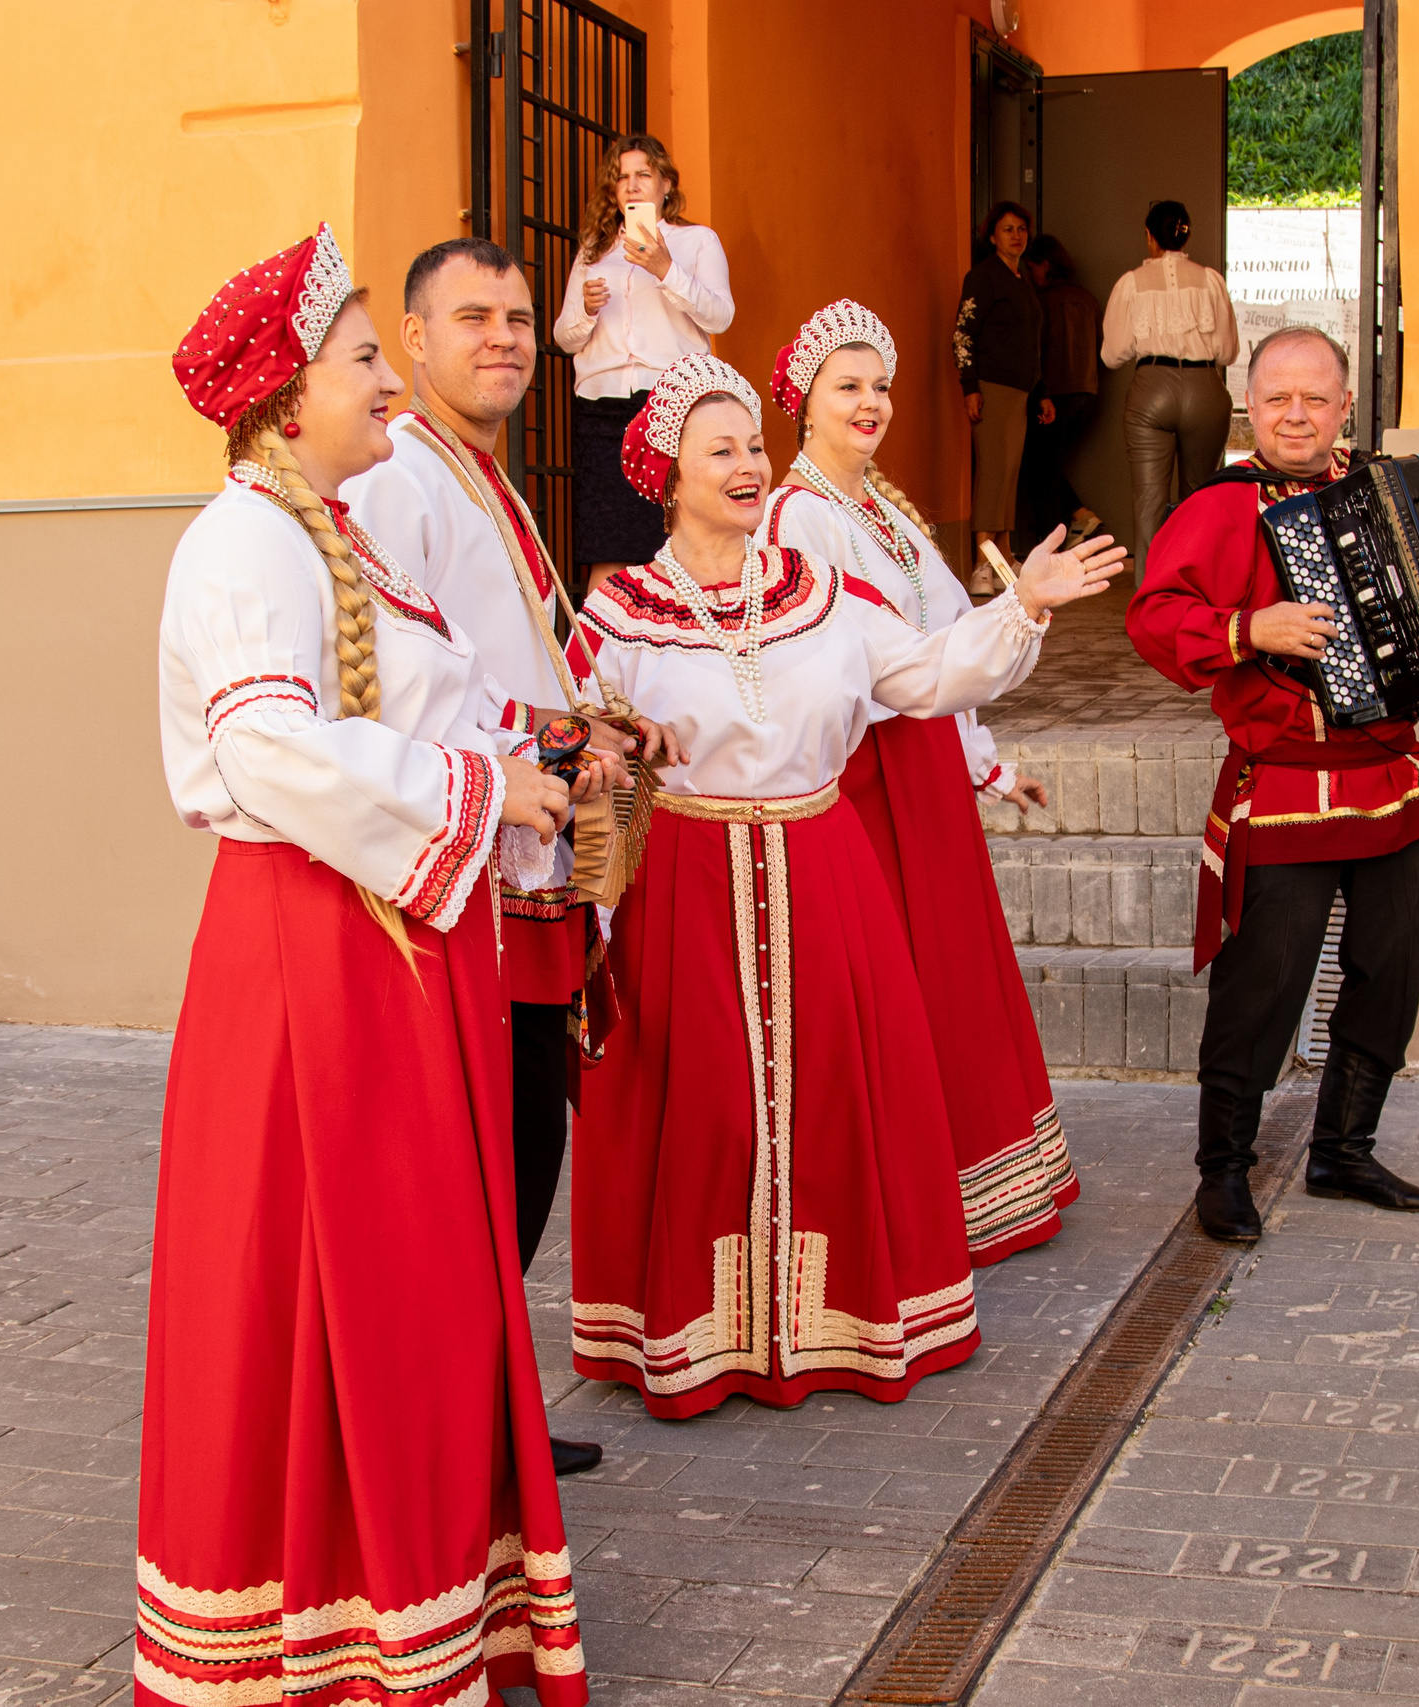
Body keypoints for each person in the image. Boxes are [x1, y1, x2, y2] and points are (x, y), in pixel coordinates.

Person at [145, 224, 591, 1704]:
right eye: (359, 360)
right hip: (314, 956)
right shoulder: (244, 545)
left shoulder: (325, 531)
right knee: (321, 1280)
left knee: (401, 1282)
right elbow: (267, 749)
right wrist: (480, 790)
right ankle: (320, 1617)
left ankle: (408, 1591)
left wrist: (522, 753)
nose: (386, 382)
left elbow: (419, 699)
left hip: (380, 940)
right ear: (286, 399)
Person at [566, 354, 1125, 1417]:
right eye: (720, 451)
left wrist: (1021, 607)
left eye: (753, 446)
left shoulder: (822, 593)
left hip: (824, 871)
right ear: (667, 475)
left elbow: (926, 674)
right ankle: (707, 1338)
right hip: (683, 884)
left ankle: (841, 1324)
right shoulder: (618, 616)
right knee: (708, 1109)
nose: (748, 465)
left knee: (835, 1097)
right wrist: (612, 744)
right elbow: (572, 745)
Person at [342, 235, 684, 1481]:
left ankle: (484, 1418)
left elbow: (511, 652)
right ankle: (453, 1429)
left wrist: (596, 718)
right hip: (473, 876)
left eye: (520, 318)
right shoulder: (399, 477)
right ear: (414, 340)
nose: (502, 338)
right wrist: (548, 732)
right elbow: (398, 681)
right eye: (471, 316)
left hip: (532, 865)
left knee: (519, 1159)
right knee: (481, 1164)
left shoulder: (483, 476)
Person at [1124, 326, 1419, 1243]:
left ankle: (1344, 1150)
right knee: (1264, 985)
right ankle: (1224, 1170)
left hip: (1394, 775)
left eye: (1315, 399)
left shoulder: (1394, 493)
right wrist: (1250, 629)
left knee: (1391, 970)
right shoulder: (1221, 506)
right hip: (1286, 781)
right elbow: (1154, 620)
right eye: (1278, 398)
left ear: (1345, 407)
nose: (1296, 415)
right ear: (1249, 405)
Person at [759, 299, 1087, 1264]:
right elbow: (887, 669)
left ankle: (976, 1185)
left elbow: (943, 645)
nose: (870, 402)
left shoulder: (885, 510)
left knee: (950, 972)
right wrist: (1021, 605)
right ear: (804, 401)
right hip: (869, 782)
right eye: (847, 386)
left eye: (881, 386)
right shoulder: (797, 516)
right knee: (901, 984)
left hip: (926, 770)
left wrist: (984, 761)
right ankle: (913, 1199)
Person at [552, 133, 732, 595]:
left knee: (674, 539)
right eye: (621, 178)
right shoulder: (594, 252)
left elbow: (720, 316)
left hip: (670, 406)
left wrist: (666, 268)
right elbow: (564, 338)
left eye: (643, 175)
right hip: (601, 409)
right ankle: (598, 641)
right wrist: (585, 310)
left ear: (666, 184)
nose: (632, 185)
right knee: (607, 546)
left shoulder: (696, 242)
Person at [1102, 199, 1240, 569]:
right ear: (1186, 235)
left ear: (1150, 237)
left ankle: (1150, 595)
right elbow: (1228, 352)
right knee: (1201, 496)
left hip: (1152, 387)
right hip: (1204, 386)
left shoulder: (1131, 284)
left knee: (1149, 500)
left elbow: (1113, 354)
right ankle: (1200, 588)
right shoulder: (1210, 280)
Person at [956, 200, 1044, 594]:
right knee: (993, 472)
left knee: (1009, 474)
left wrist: (1041, 392)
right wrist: (970, 386)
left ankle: (1004, 557)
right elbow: (962, 334)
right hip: (991, 386)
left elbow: (1031, 342)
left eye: (1021, 229)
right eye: (1008, 229)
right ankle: (982, 563)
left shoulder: (1022, 281)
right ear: (992, 236)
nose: (1016, 236)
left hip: (1020, 390)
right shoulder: (984, 277)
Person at [1020, 234, 1103, 549]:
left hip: (1054, 394)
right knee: (1047, 464)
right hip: (1087, 393)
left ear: (1045, 264)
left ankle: (1051, 543)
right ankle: (1080, 515)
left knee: (1040, 470)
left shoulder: (1041, 302)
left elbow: (1034, 351)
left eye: (1032, 268)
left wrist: (1040, 393)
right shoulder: (1088, 299)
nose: (1030, 275)